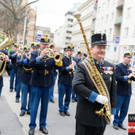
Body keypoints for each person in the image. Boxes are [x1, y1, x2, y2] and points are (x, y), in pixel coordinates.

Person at [72, 33, 116, 135]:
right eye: (99, 47)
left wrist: (112, 112)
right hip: (85, 116)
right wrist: (95, 97)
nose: (102, 50)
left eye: (104, 47)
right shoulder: (83, 66)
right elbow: (76, 86)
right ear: (91, 49)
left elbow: (113, 91)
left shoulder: (110, 66)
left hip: (102, 117)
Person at [28, 35, 62, 135]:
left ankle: (42, 125)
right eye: (43, 44)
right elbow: (30, 64)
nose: (45, 46)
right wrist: (40, 57)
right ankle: (32, 126)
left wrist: (58, 60)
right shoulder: (35, 53)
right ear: (40, 44)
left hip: (48, 83)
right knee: (34, 106)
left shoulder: (51, 54)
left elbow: (57, 67)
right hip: (37, 82)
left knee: (44, 106)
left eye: (47, 44)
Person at [113, 51, 135, 130]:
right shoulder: (119, 66)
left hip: (128, 91)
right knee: (117, 108)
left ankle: (120, 122)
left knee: (125, 109)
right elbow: (117, 77)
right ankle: (115, 122)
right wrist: (127, 77)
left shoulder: (129, 67)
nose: (129, 59)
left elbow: (132, 78)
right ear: (124, 58)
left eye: (130, 58)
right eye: (128, 58)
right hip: (120, 91)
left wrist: (133, 76)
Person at [58, 44, 77, 116]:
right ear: (66, 51)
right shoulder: (62, 58)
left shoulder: (74, 59)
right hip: (63, 80)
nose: (71, 52)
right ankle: (61, 109)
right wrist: (67, 68)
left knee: (68, 97)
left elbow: (76, 70)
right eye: (70, 51)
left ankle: (66, 108)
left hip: (70, 81)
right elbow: (60, 69)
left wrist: (75, 66)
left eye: (72, 51)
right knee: (61, 96)